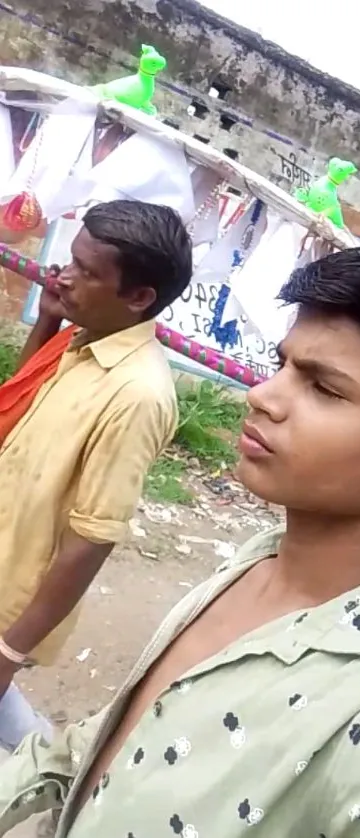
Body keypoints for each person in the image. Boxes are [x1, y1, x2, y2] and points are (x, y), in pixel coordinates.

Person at [2, 244, 360, 837]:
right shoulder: (253, 564)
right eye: (283, 365)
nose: (263, 396)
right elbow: (107, 747)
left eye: (325, 389)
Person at [0, 198, 192, 753]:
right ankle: (55, 776)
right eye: (72, 258)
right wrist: (46, 323)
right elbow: (15, 408)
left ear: (138, 297)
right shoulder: (81, 340)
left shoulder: (137, 394)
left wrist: (10, 652)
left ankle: (60, 783)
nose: (64, 274)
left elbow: (92, 539)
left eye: (87, 271)